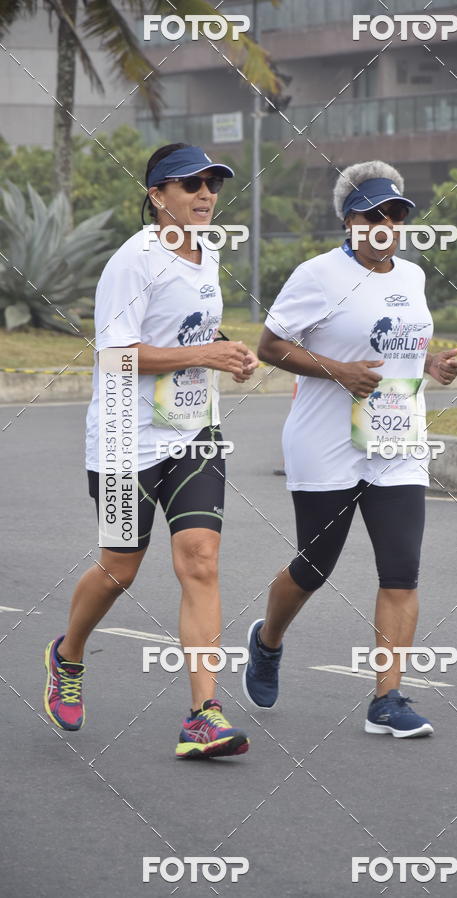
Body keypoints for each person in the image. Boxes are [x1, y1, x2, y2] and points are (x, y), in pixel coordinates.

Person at [43, 143, 259, 759]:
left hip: (192, 430)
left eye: (212, 184)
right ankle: (68, 655)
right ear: (156, 195)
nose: (205, 194)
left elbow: (186, 329)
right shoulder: (133, 261)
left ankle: (203, 715)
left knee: (201, 558)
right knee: (119, 569)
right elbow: (116, 355)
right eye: (189, 184)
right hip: (122, 438)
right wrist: (203, 354)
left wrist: (225, 347)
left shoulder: (205, 254)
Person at [242, 160, 457, 738]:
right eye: (373, 215)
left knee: (402, 573)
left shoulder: (411, 277)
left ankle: (387, 699)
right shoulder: (317, 275)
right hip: (325, 444)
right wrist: (336, 370)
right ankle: (267, 642)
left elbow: (403, 343)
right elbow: (269, 346)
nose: (386, 224)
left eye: (396, 214)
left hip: (396, 442)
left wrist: (431, 363)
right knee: (315, 566)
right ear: (349, 219)